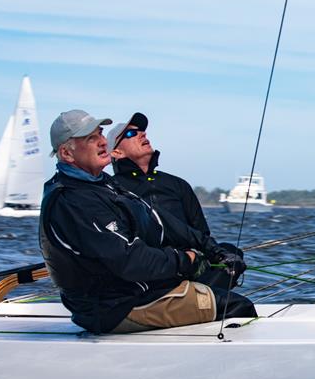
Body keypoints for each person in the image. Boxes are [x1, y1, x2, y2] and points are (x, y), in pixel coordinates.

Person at [40, 109, 229, 333]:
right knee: (235, 307)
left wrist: (211, 249)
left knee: (224, 272)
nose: (102, 142)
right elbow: (129, 260)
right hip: (116, 308)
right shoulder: (72, 199)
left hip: (139, 290)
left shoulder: (103, 184)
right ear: (67, 154)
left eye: (100, 134)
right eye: (91, 138)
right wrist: (185, 260)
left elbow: (158, 221)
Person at [107, 112, 256, 316]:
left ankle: (202, 301)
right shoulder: (112, 189)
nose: (142, 134)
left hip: (188, 268)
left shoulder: (177, 185)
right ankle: (202, 304)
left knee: (231, 252)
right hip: (149, 272)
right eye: (132, 133)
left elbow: (201, 232)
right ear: (116, 153)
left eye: (143, 131)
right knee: (241, 306)